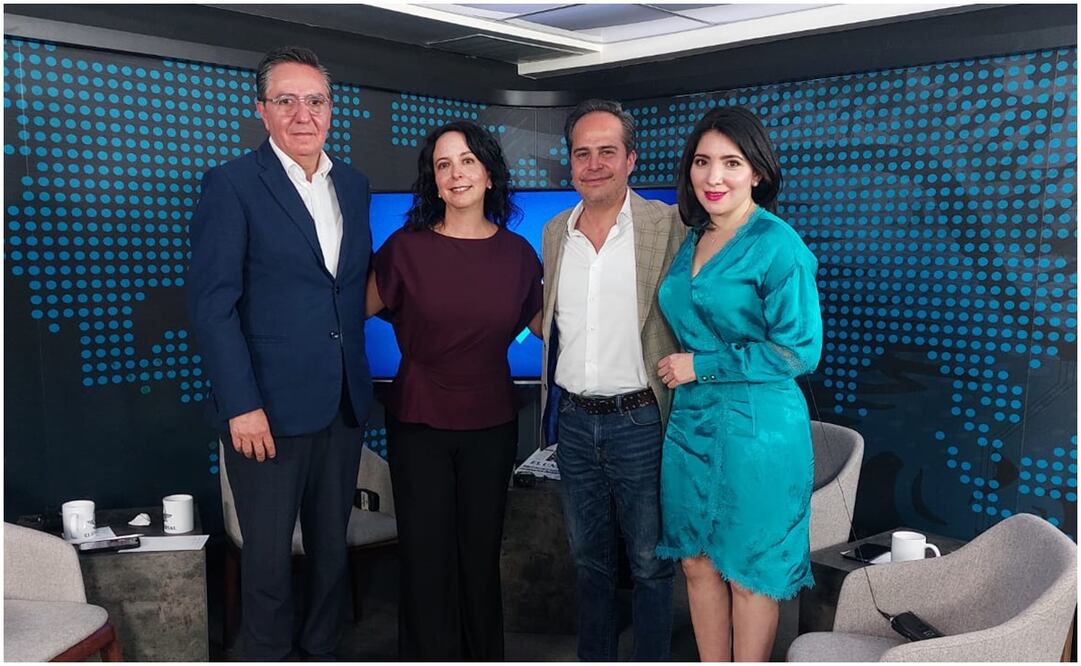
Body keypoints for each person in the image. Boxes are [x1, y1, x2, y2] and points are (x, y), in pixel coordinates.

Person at [187, 46, 373, 661]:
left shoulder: (352, 183)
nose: (303, 114)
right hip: (265, 414)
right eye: (286, 101)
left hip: (342, 405)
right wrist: (241, 405)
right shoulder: (232, 184)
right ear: (261, 110)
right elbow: (212, 307)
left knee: (330, 557)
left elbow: (341, 290)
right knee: (266, 565)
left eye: (315, 100)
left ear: (330, 109)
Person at [365, 120, 542, 660]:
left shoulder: (518, 255)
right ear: (434, 181)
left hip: (491, 419)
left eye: (467, 161)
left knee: (480, 552)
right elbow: (346, 316)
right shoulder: (404, 249)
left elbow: (549, 326)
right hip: (419, 418)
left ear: (489, 172)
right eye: (444, 165)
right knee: (426, 554)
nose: (456, 173)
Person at [654, 105, 822, 661]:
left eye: (731, 162)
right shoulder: (693, 238)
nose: (713, 176)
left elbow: (798, 350)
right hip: (692, 426)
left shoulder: (779, 245)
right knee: (697, 562)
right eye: (702, 162)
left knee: (748, 569)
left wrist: (700, 365)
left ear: (758, 171)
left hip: (758, 430)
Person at [539, 99, 685, 661]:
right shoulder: (556, 231)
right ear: (570, 162)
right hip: (574, 424)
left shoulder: (667, 225)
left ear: (631, 159)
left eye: (607, 151)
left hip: (642, 421)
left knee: (650, 562)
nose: (593, 163)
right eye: (582, 152)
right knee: (589, 560)